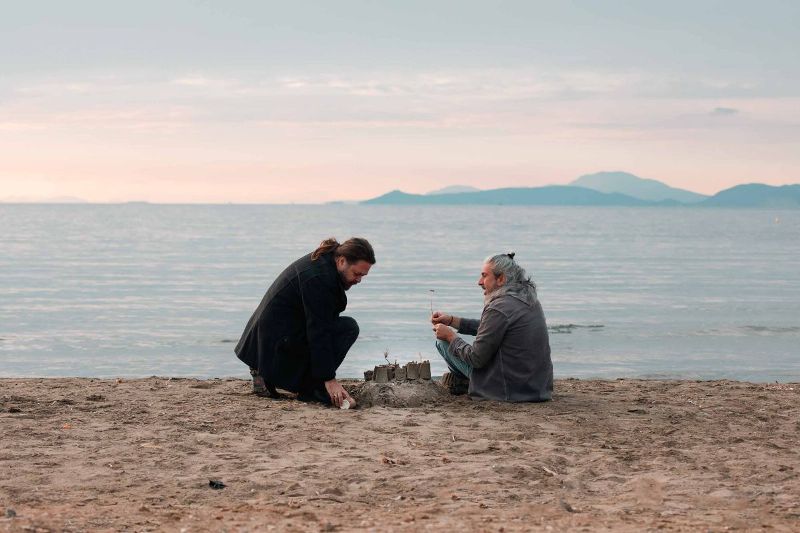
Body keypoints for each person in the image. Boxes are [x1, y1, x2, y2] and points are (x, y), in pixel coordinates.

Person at [235, 237, 375, 407]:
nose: (359, 280)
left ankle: (294, 380)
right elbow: (318, 331)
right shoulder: (319, 278)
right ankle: (311, 388)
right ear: (342, 261)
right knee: (348, 328)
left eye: (363, 275)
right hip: (270, 347)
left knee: (339, 327)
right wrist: (329, 380)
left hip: (269, 342)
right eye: (357, 273)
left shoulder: (326, 264)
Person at [431, 252, 553, 402]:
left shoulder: (498, 308)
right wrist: (451, 321)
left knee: (442, 343)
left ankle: (467, 383)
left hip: (507, 390)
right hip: (537, 389)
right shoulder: (529, 300)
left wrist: (450, 336)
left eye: (484, 276)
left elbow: (476, 358)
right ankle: (467, 382)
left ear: (501, 279)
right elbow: (491, 329)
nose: (479, 282)